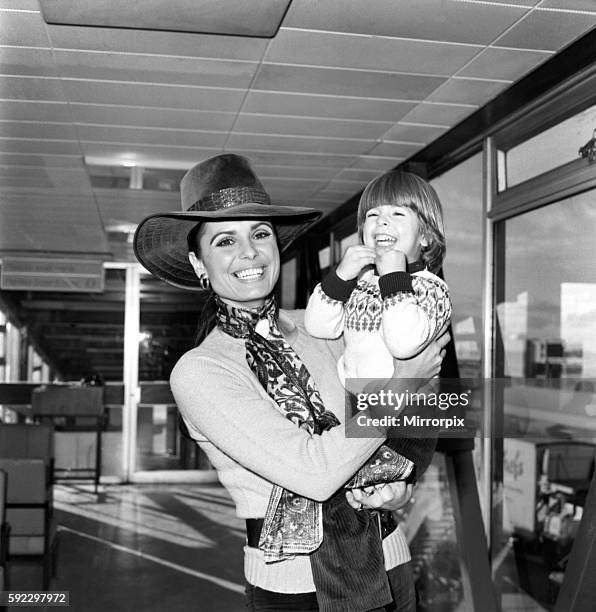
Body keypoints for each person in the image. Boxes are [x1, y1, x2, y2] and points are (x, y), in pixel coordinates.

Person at [133, 154, 449, 612]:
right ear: (199, 264)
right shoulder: (201, 372)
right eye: (225, 241)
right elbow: (316, 473)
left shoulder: (328, 327)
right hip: (295, 589)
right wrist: (402, 382)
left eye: (260, 233)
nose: (249, 253)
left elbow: (421, 399)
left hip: (389, 564)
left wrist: (402, 482)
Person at [305, 169, 452, 386]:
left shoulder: (432, 289)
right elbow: (318, 327)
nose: (382, 221)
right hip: (359, 407)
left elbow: (403, 345)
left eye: (398, 214)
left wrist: (393, 276)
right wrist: (341, 276)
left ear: (425, 236)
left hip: (410, 410)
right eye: (372, 214)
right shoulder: (361, 282)